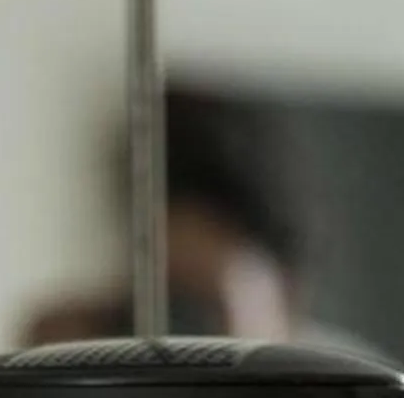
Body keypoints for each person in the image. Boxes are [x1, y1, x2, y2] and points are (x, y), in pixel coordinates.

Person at [22, 89, 312, 345]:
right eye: (151, 304)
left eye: (194, 311)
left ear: (287, 300)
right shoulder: (88, 339)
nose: (171, 345)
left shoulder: (332, 392)